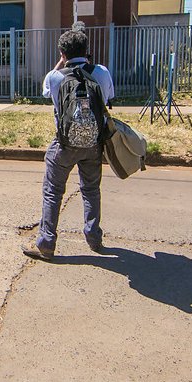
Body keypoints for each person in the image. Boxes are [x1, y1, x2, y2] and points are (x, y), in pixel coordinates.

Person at [23, 23, 115, 260]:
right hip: (93, 144)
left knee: (53, 192)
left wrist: (61, 63)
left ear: (62, 54)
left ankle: (46, 244)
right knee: (91, 190)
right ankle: (94, 238)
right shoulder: (102, 72)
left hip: (64, 145)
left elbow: (45, 93)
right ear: (86, 50)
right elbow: (110, 97)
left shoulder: (54, 77)